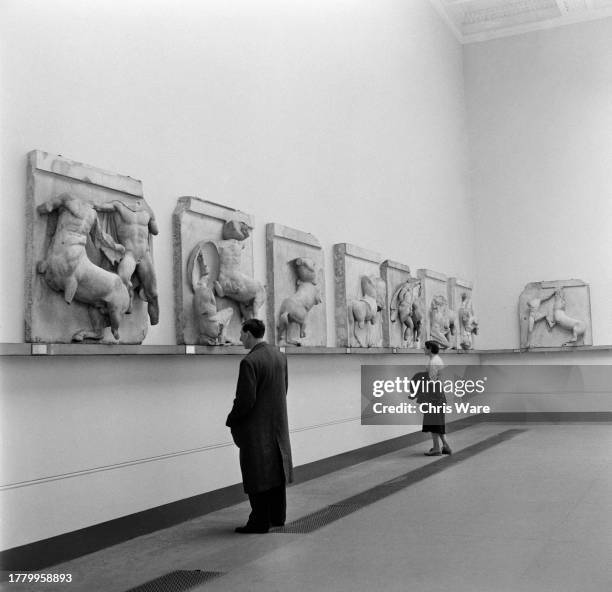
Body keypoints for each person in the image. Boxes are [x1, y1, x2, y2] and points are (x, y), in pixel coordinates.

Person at [226, 319, 293, 533]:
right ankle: (277, 516)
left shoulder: (250, 362)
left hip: (256, 427)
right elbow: (284, 389)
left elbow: (245, 400)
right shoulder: (279, 356)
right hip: (278, 424)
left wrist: (232, 418)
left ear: (248, 334)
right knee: (276, 470)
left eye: (241, 334)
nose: (239, 338)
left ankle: (259, 521)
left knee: (257, 472)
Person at [421, 340, 452, 456]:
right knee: (438, 422)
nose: (423, 349)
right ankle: (445, 446)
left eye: (425, 347)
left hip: (434, 395)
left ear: (429, 349)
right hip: (439, 394)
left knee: (433, 422)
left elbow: (431, 381)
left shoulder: (433, 362)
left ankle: (436, 448)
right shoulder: (437, 359)